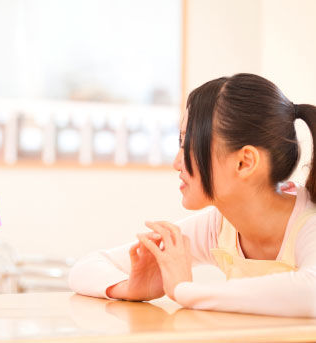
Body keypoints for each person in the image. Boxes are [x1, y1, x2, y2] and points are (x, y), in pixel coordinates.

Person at [69, 73, 316, 317]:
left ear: (244, 162)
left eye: (189, 144)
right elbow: (86, 267)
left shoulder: (309, 223)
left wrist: (184, 291)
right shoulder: (218, 227)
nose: (177, 163)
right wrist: (129, 287)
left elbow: (310, 293)